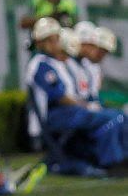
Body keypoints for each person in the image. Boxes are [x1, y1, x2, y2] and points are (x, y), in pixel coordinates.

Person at [25, 18, 125, 175]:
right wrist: (87, 106)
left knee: (118, 116)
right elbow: (60, 97)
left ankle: (121, 157)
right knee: (111, 118)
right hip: (55, 115)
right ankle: (110, 162)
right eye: (49, 40)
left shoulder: (60, 63)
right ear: (39, 43)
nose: (54, 43)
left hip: (70, 111)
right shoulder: (41, 63)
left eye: (55, 39)